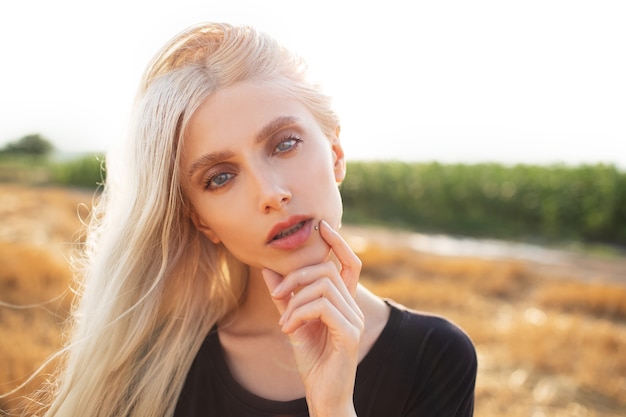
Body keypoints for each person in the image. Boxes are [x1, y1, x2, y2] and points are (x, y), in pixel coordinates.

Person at [37, 22, 476, 417]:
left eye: (284, 145)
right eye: (221, 177)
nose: (270, 193)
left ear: (336, 154)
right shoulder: (151, 373)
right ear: (201, 221)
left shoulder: (435, 357)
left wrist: (333, 408)